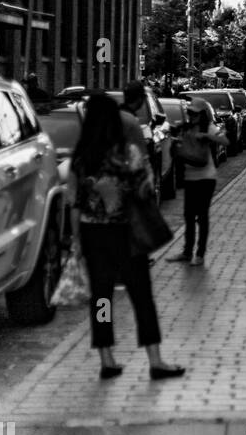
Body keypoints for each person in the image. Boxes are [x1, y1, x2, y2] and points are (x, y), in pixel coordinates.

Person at [68, 92, 184, 381]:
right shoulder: (128, 153)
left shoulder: (81, 159)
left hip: (93, 233)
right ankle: (155, 360)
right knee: (141, 296)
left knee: (102, 297)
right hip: (126, 233)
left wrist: (76, 241)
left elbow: (74, 203)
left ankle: (107, 358)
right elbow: (146, 190)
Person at [171, 101, 227, 267]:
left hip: (206, 178)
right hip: (190, 177)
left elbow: (225, 141)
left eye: (195, 114)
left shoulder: (208, 127)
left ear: (202, 115)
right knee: (189, 216)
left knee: (202, 216)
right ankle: (187, 252)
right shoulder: (186, 129)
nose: (191, 116)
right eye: (190, 113)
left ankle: (200, 254)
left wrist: (208, 136)